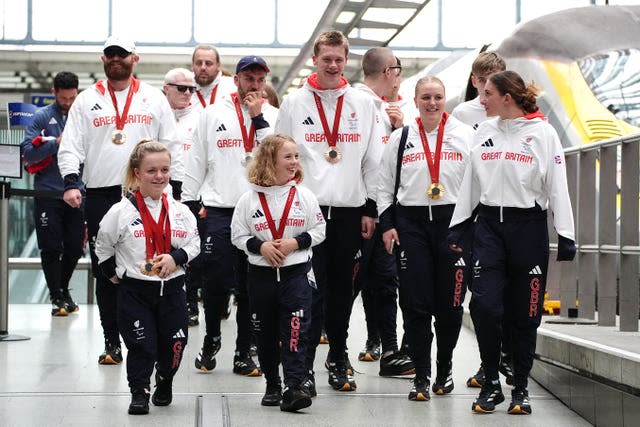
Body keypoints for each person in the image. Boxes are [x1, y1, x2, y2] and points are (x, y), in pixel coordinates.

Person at [448, 70, 576, 415]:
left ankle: (520, 387)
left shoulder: (543, 133)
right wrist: (458, 225)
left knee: (525, 315)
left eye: (487, 93)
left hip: (528, 230)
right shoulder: (483, 132)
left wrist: (566, 233)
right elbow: (470, 184)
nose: (482, 99)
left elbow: (557, 185)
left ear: (507, 97)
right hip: (488, 228)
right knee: (483, 307)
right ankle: (490, 382)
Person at [58, 36, 184, 365]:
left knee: (152, 265)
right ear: (103, 58)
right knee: (106, 271)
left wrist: (178, 190)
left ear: (134, 58)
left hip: (145, 195)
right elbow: (70, 145)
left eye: (123, 54)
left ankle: (150, 339)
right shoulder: (87, 100)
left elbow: (173, 144)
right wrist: (72, 181)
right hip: (101, 194)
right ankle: (111, 341)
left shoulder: (153, 97)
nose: (117, 59)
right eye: (111, 54)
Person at [275, 30, 382, 393]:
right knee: (308, 291)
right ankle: (303, 366)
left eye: (339, 59)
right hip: (307, 211)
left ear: (346, 60)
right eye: (326, 59)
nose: (333, 66)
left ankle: (338, 356)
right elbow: (279, 156)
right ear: (315, 60)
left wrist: (370, 207)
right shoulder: (294, 103)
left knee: (342, 290)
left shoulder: (363, 103)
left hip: (351, 212)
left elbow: (373, 160)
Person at [377, 76, 474, 401]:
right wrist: (388, 224)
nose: (432, 103)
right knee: (415, 305)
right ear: (415, 101)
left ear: (445, 100)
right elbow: (384, 183)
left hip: (452, 225)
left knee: (450, 305)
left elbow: (477, 185)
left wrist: (471, 227)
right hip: (412, 225)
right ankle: (421, 374)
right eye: (426, 98)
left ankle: (444, 368)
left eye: (438, 97)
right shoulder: (401, 138)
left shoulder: (463, 135)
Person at [183, 55, 279, 377]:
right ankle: (211, 338)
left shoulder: (274, 116)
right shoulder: (211, 115)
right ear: (235, 79)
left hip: (259, 210)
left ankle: (244, 351)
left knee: (250, 284)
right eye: (248, 78)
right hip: (220, 210)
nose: (254, 85)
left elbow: (274, 158)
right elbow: (197, 159)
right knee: (216, 281)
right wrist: (187, 204)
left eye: (259, 80)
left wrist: (258, 118)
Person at [95, 140, 200, 415]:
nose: (159, 176)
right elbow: (102, 246)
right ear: (137, 173)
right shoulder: (120, 211)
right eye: (151, 170)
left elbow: (195, 244)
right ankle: (139, 392)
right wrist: (112, 275)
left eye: (164, 169)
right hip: (135, 292)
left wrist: (175, 258)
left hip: (174, 291)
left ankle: (165, 378)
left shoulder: (180, 211)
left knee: (176, 344)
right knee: (142, 346)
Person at [231, 134, 326, 412]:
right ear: (270, 161)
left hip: (296, 276)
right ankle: (272, 384)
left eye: (296, 156)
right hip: (260, 278)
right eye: (288, 157)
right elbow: (237, 235)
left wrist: (294, 243)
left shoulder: (304, 196)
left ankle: (293, 386)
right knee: (265, 333)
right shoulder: (248, 199)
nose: (294, 162)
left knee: (296, 330)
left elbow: (320, 230)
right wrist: (261, 247)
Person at [450, 51, 513, 389]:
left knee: (501, 292)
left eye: (497, 79)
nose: (490, 87)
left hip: (502, 213)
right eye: (485, 81)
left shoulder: (513, 115)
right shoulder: (463, 113)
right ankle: (487, 361)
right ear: (475, 82)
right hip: (473, 212)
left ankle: (500, 358)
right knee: (480, 292)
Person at [353, 47, 415, 377]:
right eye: (399, 71)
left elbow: (383, 163)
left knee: (385, 281)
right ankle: (331, 352)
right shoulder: (360, 104)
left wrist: (398, 132)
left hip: (381, 212)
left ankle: (388, 349)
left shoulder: (383, 110)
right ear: (390, 71)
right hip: (359, 213)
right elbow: (359, 161)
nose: (399, 79)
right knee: (349, 284)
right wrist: (367, 208)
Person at [21, 71, 85, 316]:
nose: (68, 102)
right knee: (50, 247)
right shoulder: (41, 117)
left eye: (72, 97)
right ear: (54, 93)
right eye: (63, 98)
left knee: (75, 247)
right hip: (48, 193)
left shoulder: (83, 116)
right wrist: (56, 143)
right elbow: (28, 152)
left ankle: (62, 288)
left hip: (77, 192)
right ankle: (56, 295)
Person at [163, 67, 203, 327]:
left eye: (192, 89)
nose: (187, 93)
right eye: (181, 88)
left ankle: (190, 302)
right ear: (165, 87)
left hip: (191, 191)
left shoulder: (202, 117)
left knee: (190, 247)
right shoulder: (155, 113)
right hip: (159, 189)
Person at [191, 44, 236, 111]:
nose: (203, 67)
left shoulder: (232, 87)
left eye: (208, 63)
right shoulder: (182, 88)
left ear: (218, 65)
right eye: (199, 63)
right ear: (192, 65)